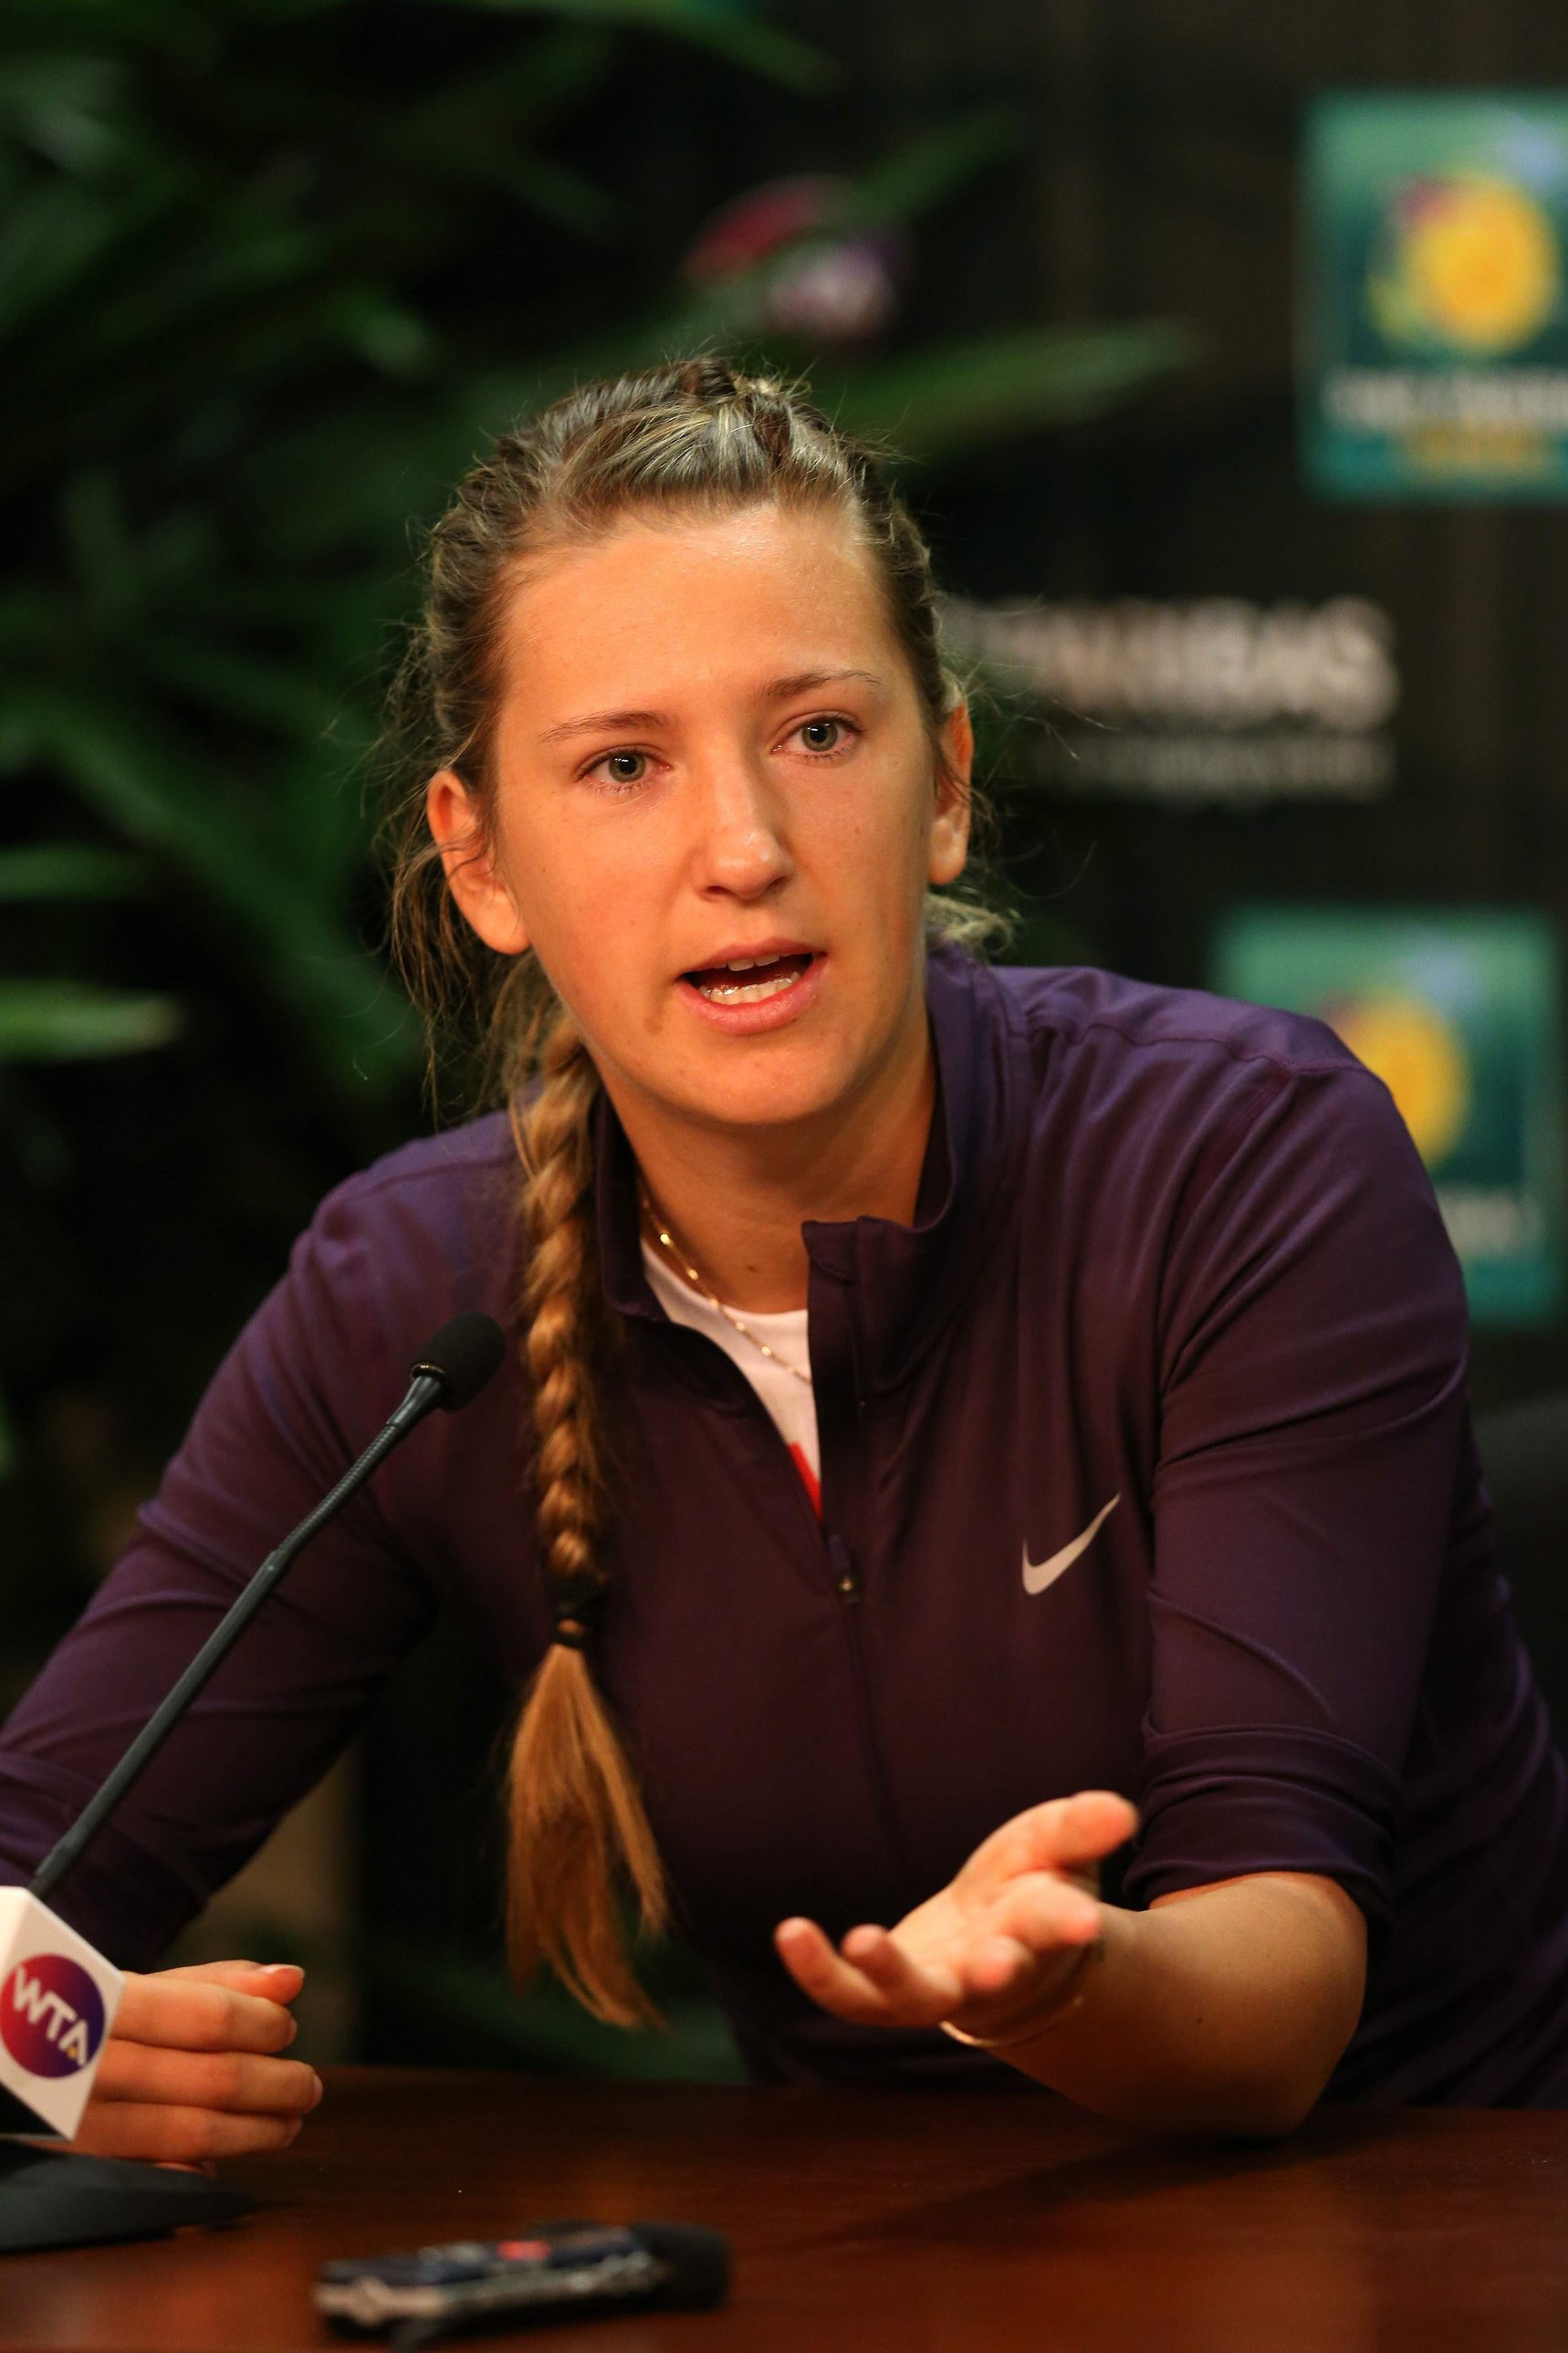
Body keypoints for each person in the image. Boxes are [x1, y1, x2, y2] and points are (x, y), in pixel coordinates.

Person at [3, 361, 1566, 2166]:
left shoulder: (1241, 1159)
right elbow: (40, 1855)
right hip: (879, 2266)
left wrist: (1060, 1981)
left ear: (947, 783)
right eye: (621, 765)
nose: (740, 849)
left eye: (818, 732)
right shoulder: (414, 1301)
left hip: (1438, 2218)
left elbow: (1278, 1987)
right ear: (479, 857)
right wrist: (23, 2040)